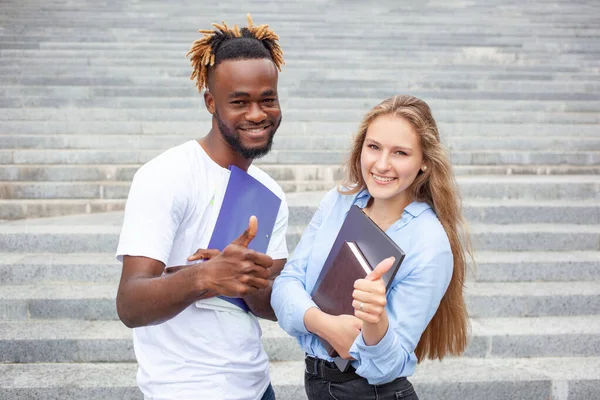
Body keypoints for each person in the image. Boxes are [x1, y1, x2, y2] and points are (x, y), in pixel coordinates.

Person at [115, 15, 288, 400]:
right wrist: (205, 277)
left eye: (268, 99)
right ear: (211, 102)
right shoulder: (165, 175)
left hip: (257, 386)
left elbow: (266, 306)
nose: (258, 114)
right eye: (239, 101)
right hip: (185, 389)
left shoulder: (269, 192)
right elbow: (130, 304)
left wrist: (251, 279)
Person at [271, 95, 473, 399]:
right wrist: (323, 324)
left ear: (425, 163)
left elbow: (387, 367)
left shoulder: (430, 245)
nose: (381, 164)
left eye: (401, 153)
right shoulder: (339, 201)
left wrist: (375, 320)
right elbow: (285, 286)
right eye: (374, 147)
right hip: (319, 384)